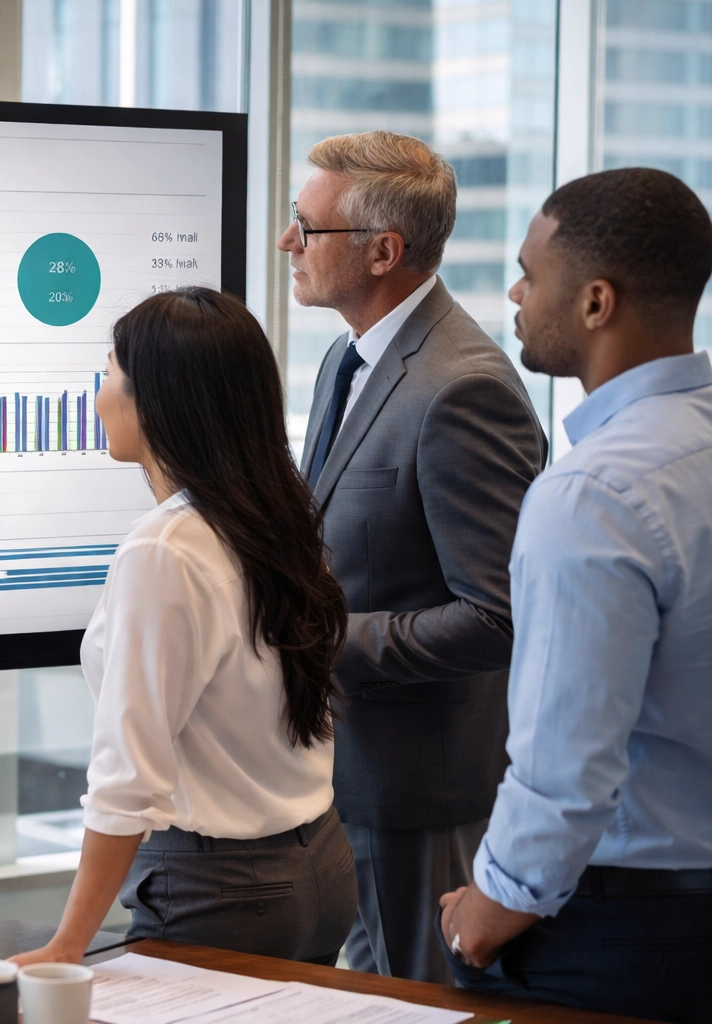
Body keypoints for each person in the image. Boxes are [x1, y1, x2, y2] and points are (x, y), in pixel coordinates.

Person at [11, 287, 357, 967]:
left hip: (221, 894)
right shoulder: (275, 517)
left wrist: (66, 945)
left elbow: (126, 777)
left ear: (159, 400)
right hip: (318, 864)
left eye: (108, 372)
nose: (99, 393)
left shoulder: (164, 549)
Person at [438, 168, 712, 1023]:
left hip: (617, 931)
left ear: (596, 302)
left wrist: (490, 908)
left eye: (529, 272)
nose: (515, 293)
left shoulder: (594, 492)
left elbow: (565, 765)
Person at [281, 131, 546, 983]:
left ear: (383, 251)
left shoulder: (461, 386)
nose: (288, 242)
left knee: (421, 1002)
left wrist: (322, 639)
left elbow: (499, 615)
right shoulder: (346, 355)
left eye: (305, 227)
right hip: (345, 771)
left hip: (420, 792)